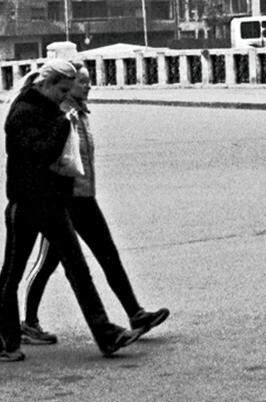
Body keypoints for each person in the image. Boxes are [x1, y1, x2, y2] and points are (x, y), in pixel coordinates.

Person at [0, 59, 146, 362]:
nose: (64, 96)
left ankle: (107, 335)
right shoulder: (23, 113)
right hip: (27, 203)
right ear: (46, 84)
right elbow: (40, 153)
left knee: (78, 269)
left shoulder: (47, 109)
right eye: (61, 90)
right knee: (12, 273)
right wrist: (62, 126)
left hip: (53, 201)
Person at [21, 62, 169, 345]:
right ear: (67, 86)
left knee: (108, 255)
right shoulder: (59, 114)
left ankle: (135, 313)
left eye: (89, 81)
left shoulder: (82, 113)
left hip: (85, 197)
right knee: (47, 263)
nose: (88, 85)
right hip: (63, 200)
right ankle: (28, 322)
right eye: (82, 81)